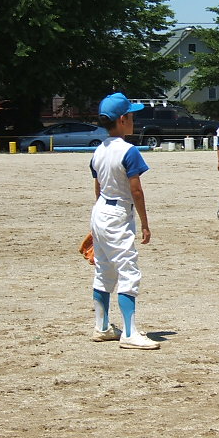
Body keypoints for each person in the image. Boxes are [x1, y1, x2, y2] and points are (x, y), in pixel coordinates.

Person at [89, 92, 160, 350]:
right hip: (119, 214)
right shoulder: (129, 151)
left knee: (104, 269)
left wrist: (100, 222)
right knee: (128, 270)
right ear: (122, 120)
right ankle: (129, 333)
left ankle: (102, 326)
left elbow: (98, 187)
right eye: (131, 116)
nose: (133, 121)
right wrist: (145, 223)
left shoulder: (99, 150)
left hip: (100, 211)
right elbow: (136, 190)